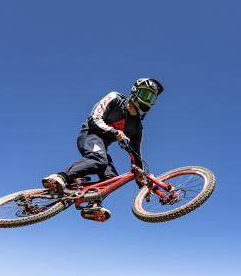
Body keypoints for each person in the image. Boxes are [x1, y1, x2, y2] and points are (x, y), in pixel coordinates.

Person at [42, 78, 164, 221]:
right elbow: (94, 119)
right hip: (89, 134)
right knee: (100, 159)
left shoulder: (137, 128)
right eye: (145, 94)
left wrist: (142, 185)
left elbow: (136, 155)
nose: (147, 100)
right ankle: (60, 176)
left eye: (151, 98)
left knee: (112, 179)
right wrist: (113, 131)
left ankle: (93, 204)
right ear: (135, 91)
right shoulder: (115, 98)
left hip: (102, 147)